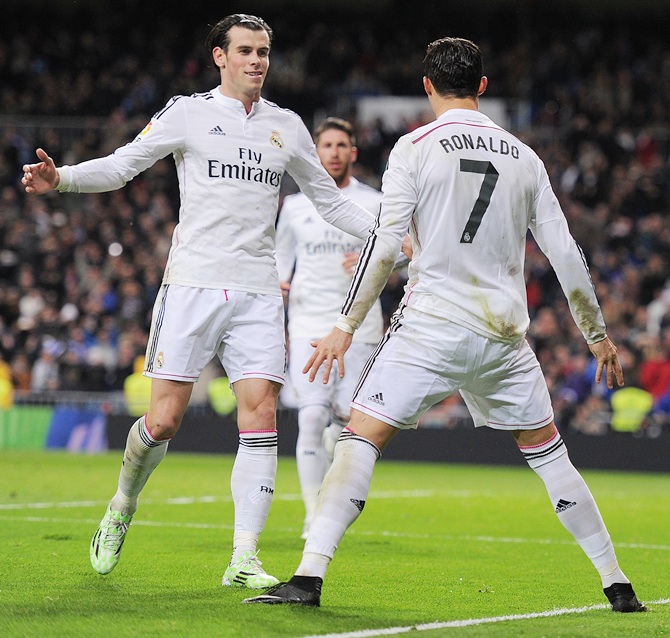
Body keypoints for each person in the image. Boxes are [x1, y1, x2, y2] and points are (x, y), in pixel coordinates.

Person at [243, 37, 646, 612]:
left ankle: (308, 576)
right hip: (505, 338)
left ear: (427, 86)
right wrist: (598, 336)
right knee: (550, 455)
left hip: (431, 326)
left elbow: (384, 249)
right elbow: (565, 254)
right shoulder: (525, 157)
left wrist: (344, 324)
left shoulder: (413, 148)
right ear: (482, 86)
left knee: (360, 436)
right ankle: (618, 583)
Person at [22, 14, 376, 589]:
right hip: (191, 285)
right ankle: (122, 502)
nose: (257, 61)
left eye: (263, 52)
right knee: (163, 421)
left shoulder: (286, 126)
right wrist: (61, 179)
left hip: (260, 291)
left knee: (260, 415)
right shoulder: (187, 113)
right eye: (245, 51)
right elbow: (122, 166)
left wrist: (389, 234)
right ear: (220, 56)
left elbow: (330, 204)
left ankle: (244, 557)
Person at [275, 117, 384, 539]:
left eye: (342, 145)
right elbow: (281, 259)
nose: (335, 152)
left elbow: (409, 253)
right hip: (308, 323)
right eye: (327, 145)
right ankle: (312, 514)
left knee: (345, 422)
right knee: (311, 415)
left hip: (360, 326)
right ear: (316, 153)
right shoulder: (296, 205)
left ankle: (331, 459)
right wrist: (279, 284)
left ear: (353, 152)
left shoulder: (374, 203)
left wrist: (377, 262)